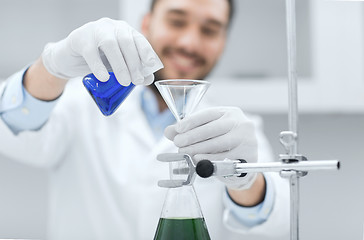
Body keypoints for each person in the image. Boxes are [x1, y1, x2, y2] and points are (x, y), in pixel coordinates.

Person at [0, 0, 289, 239]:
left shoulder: (234, 130)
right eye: (177, 21)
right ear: (147, 24)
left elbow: (275, 225)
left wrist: (245, 179)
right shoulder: (79, 105)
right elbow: (10, 128)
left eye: (210, 30)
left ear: (223, 41)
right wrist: (51, 68)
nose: (190, 42)